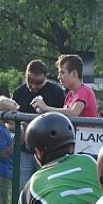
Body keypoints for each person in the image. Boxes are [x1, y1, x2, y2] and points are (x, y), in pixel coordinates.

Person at [11, 59, 65, 188]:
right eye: (30, 81)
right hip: (24, 150)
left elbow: (64, 119)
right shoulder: (19, 92)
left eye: (39, 83)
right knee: (22, 189)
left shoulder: (56, 92)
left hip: (49, 152)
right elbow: (9, 122)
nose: (34, 86)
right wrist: (19, 128)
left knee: (47, 188)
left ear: (46, 77)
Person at [30, 54, 99, 118]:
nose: (59, 77)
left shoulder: (84, 91)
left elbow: (74, 113)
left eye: (62, 72)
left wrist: (46, 108)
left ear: (74, 73)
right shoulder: (70, 94)